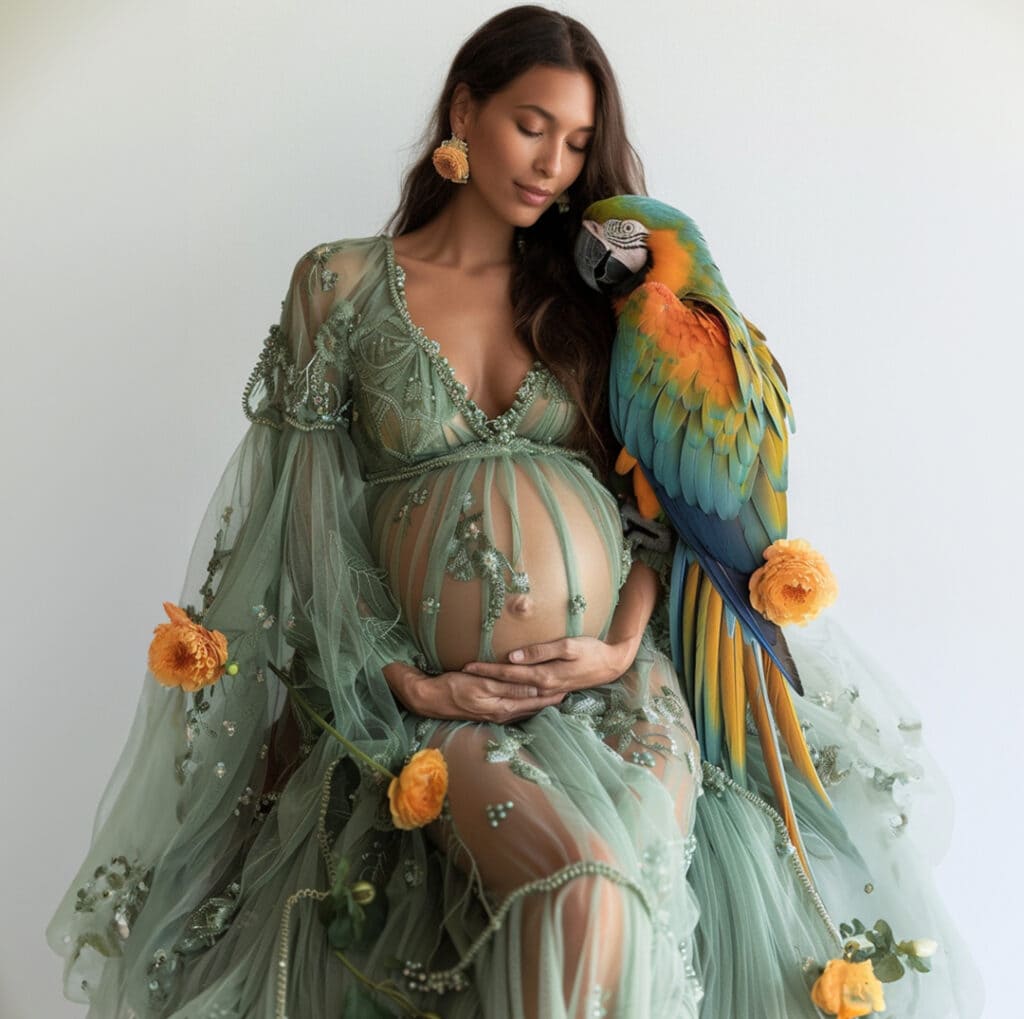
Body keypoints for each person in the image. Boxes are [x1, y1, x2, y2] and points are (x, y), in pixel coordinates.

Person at [45, 6, 982, 1018]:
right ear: (464, 109)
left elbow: (660, 517)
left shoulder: (601, 303)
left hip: (616, 688)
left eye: (578, 142)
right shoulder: (342, 285)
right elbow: (300, 515)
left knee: (606, 895)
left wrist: (620, 647)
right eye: (532, 124)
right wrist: (399, 678)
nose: (553, 163)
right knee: (575, 885)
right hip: (431, 696)